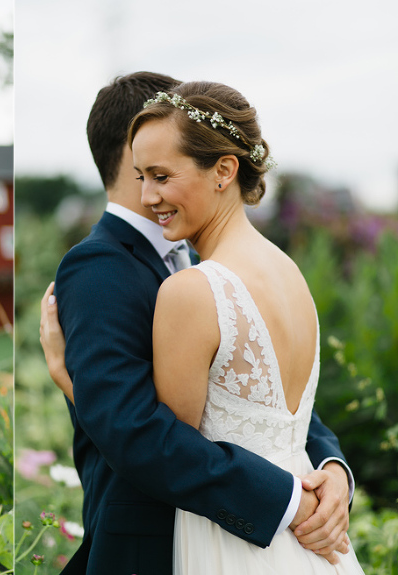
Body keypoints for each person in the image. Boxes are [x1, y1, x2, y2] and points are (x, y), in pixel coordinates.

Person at [37, 73, 355, 574]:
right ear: (131, 147)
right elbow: (133, 426)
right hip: (160, 542)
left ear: (221, 169)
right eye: (147, 174)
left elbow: (267, 399)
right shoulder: (98, 266)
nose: (150, 194)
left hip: (249, 530)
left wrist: (332, 469)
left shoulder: (215, 264)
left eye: (162, 175)